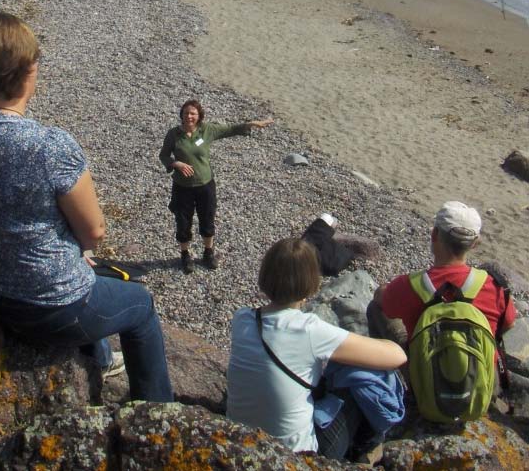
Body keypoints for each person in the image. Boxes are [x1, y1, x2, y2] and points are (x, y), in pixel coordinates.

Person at [0, 11, 172, 402]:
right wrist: (76, 252)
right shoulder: (50, 146)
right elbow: (93, 231)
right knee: (141, 305)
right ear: (27, 72)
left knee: (76, 263)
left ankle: (97, 358)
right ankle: (158, 411)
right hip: (46, 307)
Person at [227, 238, 406, 460]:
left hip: (240, 443)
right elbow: (397, 356)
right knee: (370, 376)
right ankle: (362, 454)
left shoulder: (242, 319)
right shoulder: (309, 330)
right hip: (296, 456)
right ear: (311, 282)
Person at [369, 201, 516, 345]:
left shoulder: (410, 285)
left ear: (434, 234)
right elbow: (508, 324)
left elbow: (381, 299)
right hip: (483, 368)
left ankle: (385, 365)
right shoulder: (495, 287)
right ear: (475, 244)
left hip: (422, 367)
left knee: (375, 308)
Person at [159, 99, 273, 273]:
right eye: (186, 113)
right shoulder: (173, 134)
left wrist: (250, 124)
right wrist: (176, 164)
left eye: (193, 113)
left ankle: (208, 252)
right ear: (181, 114)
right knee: (183, 221)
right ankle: (185, 254)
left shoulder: (207, 130)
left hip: (205, 185)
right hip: (182, 187)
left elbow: (230, 129)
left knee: (207, 218)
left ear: (199, 116)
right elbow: (164, 156)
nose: (189, 116)